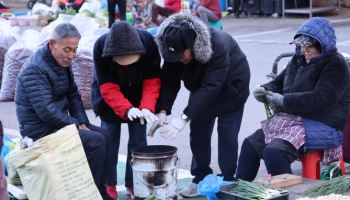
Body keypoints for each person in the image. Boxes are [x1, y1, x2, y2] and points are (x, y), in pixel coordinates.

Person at [236, 17, 350, 181]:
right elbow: (278, 82)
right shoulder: (298, 60)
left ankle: (286, 194)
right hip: (294, 119)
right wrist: (264, 91)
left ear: (323, 45)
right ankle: (239, 191)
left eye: (309, 46)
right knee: (250, 145)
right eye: (302, 46)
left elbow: (321, 99)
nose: (305, 51)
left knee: (274, 152)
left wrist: (284, 101)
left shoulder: (336, 64)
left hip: (323, 123)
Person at [151, 13, 250, 197]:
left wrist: (183, 117)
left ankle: (228, 178)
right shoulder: (174, 49)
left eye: (182, 55)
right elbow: (169, 81)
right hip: (202, 87)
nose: (179, 59)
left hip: (232, 87)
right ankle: (200, 177)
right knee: (198, 133)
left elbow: (211, 86)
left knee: (227, 135)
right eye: (175, 56)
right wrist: (162, 110)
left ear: (192, 44)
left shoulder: (217, 44)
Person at [14, 23, 113, 200]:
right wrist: (75, 125)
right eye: (67, 50)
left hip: (59, 125)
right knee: (96, 141)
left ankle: (100, 191)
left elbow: (73, 95)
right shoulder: (35, 69)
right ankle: (88, 194)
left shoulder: (62, 62)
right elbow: (46, 111)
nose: (71, 56)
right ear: (52, 43)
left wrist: (81, 121)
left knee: (106, 135)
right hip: (40, 130)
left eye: (75, 50)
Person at [91, 21, 161, 199]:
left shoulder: (148, 43)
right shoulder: (100, 46)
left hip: (139, 94)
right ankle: (109, 183)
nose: (127, 66)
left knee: (139, 142)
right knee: (109, 140)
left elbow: (152, 81)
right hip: (109, 98)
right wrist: (126, 109)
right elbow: (107, 87)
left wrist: (146, 106)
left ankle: (135, 182)